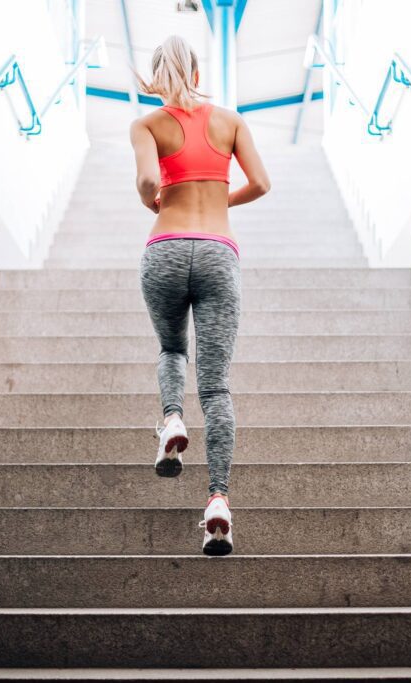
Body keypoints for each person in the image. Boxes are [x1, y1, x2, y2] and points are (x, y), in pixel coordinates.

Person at [130, 35, 271, 556]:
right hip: (218, 252)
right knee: (215, 389)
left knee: (171, 349)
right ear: (195, 71)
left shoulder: (146, 125)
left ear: (155, 74)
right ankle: (217, 501)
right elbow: (261, 182)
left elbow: (148, 180)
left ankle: (170, 419)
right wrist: (219, 201)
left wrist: (159, 202)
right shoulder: (231, 121)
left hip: (164, 248)